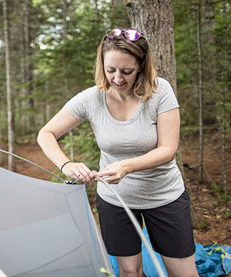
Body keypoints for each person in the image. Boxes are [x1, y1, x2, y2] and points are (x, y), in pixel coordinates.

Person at [37, 27, 199, 277]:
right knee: (129, 273)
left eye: (127, 71)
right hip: (115, 201)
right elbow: (45, 134)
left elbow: (168, 149)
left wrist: (126, 166)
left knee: (184, 274)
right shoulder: (90, 99)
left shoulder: (160, 91)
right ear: (102, 64)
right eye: (110, 70)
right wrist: (66, 165)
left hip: (164, 196)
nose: (118, 78)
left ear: (142, 66)